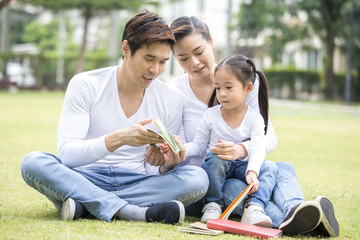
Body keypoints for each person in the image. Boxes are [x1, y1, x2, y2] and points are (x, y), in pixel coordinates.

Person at [20, 11, 209, 224]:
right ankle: (132, 212)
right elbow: (67, 155)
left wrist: (166, 165)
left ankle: (86, 205)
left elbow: (152, 171)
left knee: (198, 178)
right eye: (149, 58)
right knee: (34, 162)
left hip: (138, 182)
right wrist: (120, 138)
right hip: (85, 177)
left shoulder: (170, 99)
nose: (155, 70)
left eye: (163, 62)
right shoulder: (86, 85)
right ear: (126, 49)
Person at [169, 16, 339, 237]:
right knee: (236, 191)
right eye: (183, 58)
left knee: (282, 167)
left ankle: (296, 209)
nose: (194, 63)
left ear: (211, 41)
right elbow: (191, 148)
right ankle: (300, 224)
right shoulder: (175, 92)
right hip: (212, 177)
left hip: (248, 168)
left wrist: (242, 150)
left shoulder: (243, 79)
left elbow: (268, 137)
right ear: (174, 57)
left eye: (199, 51)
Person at [184, 54, 277, 227]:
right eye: (218, 88)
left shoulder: (255, 118)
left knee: (270, 167)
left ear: (248, 88)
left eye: (228, 87)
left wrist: (252, 172)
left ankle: (254, 207)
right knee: (215, 156)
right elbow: (198, 145)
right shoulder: (210, 115)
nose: (222, 94)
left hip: (243, 166)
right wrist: (182, 148)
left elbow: (258, 147)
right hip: (218, 170)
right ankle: (212, 204)